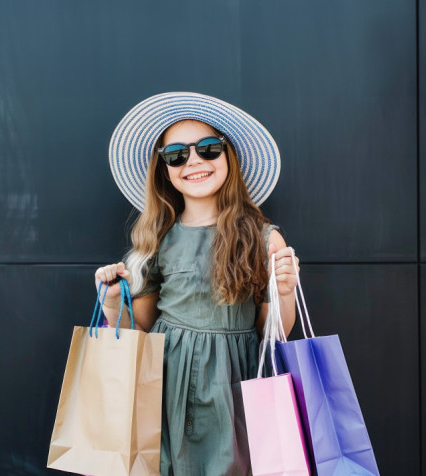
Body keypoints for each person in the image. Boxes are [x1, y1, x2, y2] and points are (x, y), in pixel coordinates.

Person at [95, 92, 301, 476]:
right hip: (164, 382)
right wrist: (111, 304)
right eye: (176, 155)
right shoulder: (157, 238)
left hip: (233, 385)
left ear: (229, 158)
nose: (193, 162)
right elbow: (139, 329)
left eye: (208, 149)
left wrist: (284, 292)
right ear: (164, 169)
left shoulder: (263, 237)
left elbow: (274, 334)